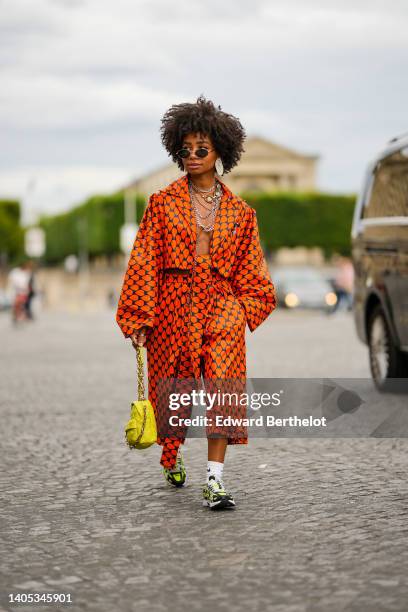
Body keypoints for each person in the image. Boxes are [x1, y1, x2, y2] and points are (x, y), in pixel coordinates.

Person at [116, 95, 277, 510]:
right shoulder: (161, 202)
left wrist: (242, 310)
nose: (192, 156)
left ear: (220, 151)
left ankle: (215, 480)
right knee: (173, 392)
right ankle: (171, 457)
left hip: (222, 307)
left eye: (201, 149)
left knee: (223, 388)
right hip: (171, 304)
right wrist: (138, 315)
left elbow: (255, 273)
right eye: (185, 149)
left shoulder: (242, 213)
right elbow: (145, 259)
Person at [7, 260, 31, 324]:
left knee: (21, 304)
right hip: (16, 291)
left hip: (23, 292)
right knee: (16, 304)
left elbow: (26, 283)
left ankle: (19, 315)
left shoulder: (27, 273)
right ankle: (16, 315)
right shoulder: (15, 272)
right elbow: (13, 281)